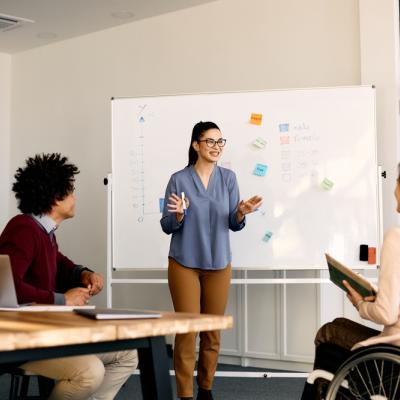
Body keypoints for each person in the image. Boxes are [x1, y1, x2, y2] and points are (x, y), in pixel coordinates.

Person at [0, 153, 138, 400]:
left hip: (48, 333)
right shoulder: (23, 228)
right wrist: (63, 300)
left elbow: (59, 265)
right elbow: (5, 288)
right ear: (57, 196)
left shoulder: (45, 232)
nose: (75, 197)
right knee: (90, 371)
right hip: (24, 340)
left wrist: (83, 274)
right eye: (72, 190)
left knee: (127, 353)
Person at [160, 121, 263, 400]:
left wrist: (241, 212)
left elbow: (233, 223)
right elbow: (166, 225)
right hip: (184, 263)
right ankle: (184, 394)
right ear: (196, 145)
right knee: (187, 330)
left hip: (219, 264)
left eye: (220, 142)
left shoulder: (228, 179)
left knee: (212, 332)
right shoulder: (178, 179)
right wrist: (179, 215)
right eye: (210, 141)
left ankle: (205, 389)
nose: (216, 147)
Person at [301, 166, 400, 400]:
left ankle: (326, 388)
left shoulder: (396, 237)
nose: (393, 189)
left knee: (330, 331)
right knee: (338, 324)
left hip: (392, 355)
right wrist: (378, 295)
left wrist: (361, 304)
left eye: (396, 181)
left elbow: (386, 315)